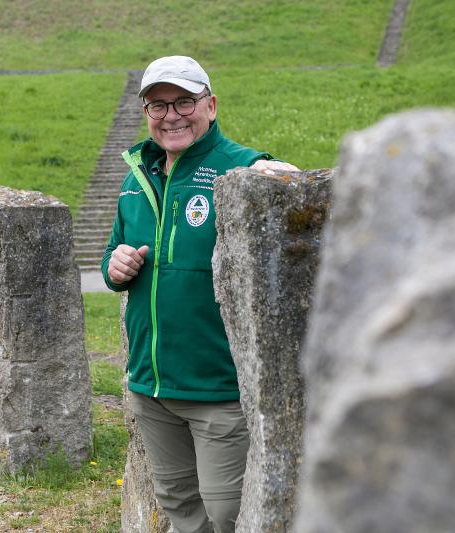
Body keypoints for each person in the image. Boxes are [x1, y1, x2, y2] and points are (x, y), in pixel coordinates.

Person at [102, 55, 298, 533]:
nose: (171, 115)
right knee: (178, 503)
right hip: (151, 386)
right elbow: (111, 265)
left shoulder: (243, 168)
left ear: (210, 105)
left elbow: (296, 205)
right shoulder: (136, 180)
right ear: (146, 113)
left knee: (227, 510)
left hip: (217, 388)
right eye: (158, 105)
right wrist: (116, 265)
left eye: (184, 102)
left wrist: (287, 179)